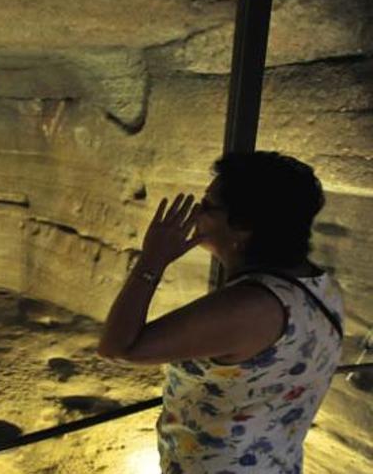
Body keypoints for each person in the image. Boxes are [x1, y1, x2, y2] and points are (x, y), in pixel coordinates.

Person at [97, 151, 344, 473]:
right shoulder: (319, 285)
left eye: (209, 206)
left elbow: (118, 348)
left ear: (243, 226)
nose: (197, 212)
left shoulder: (248, 308)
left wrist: (152, 259)